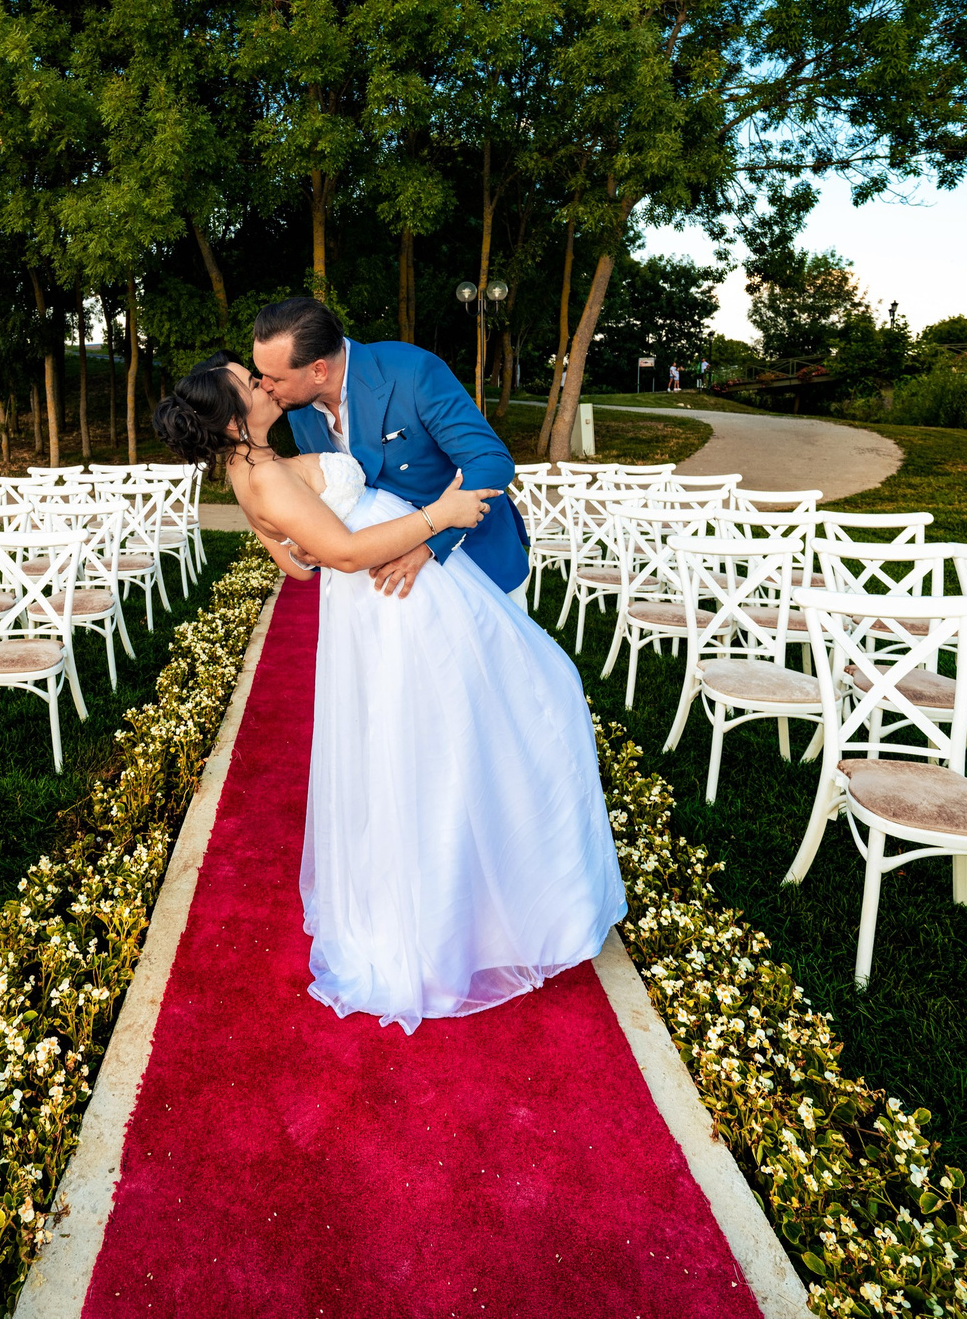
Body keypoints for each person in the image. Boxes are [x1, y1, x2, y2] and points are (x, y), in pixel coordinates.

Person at [154, 345, 627, 1033]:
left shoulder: (248, 471)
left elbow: (298, 566)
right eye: (246, 384)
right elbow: (343, 554)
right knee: (505, 715)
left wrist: (314, 541)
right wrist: (443, 515)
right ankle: (477, 910)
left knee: (493, 717)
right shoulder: (265, 471)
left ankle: (487, 896)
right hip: (398, 598)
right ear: (232, 420)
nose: (260, 385)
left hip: (390, 597)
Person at [246, 296, 528, 600]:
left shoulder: (413, 371)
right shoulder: (299, 409)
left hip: (476, 560)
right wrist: (311, 544)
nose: (264, 386)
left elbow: (490, 461)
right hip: (382, 588)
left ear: (318, 371)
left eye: (274, 377)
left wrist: (428, 546)